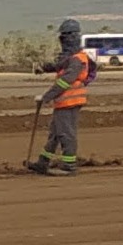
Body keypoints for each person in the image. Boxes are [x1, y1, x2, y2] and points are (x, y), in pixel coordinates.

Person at [29, 20, 96, 173]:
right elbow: (59, 66)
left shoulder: (78, 59)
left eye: (67, 36)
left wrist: (46, 97)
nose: (64, 40)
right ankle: (43, 162)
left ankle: (69, 166)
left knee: (66, 134)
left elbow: (66, 81)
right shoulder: (71, 57)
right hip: (63, 102)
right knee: (55, 134)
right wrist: (44, 68)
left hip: (70, 101)